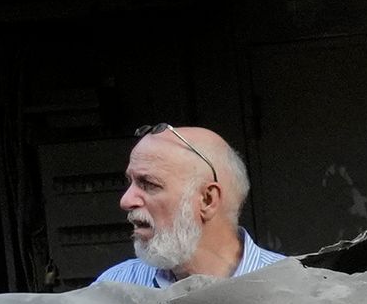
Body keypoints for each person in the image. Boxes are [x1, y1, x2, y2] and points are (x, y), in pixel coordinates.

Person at [97, 123, 284, 289]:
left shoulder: (293, 288)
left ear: (207, 200)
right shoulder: (114, 288)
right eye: (130, 182)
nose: (126, 201)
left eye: (149, 184)